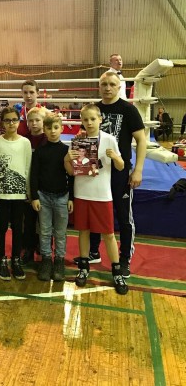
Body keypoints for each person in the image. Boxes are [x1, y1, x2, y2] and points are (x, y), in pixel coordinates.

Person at [77, 71, 146, 278]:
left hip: (120, 171)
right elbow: (85, 136)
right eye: (104, 84)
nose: (107, 88)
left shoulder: (128, 109)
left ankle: (124, 259)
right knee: (94, 211)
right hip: (97, 171)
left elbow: (141, 140)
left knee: (123, 216)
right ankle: (93, 252)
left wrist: (138, 169)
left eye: (112, 84)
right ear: (99, 86)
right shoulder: (93, 109)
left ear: (119, 87)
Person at [65, 104, 128, 295]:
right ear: (82, 121)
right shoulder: (78, 141)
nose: (89, 122)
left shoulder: (109, 139)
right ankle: (84, 267)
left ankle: (117, 272)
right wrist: (67, 158)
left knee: (108, 234)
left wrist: (115, 157)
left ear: (100, 119)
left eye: (93, 119)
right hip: (82, 192)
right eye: (85, 119)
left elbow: (121, 166)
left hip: (102, 194)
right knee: (83, 231)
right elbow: (71, 172)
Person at [0, 107, 32, 281]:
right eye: (7, 120)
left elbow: (28, 167)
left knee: (17, 228)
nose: (11, 123)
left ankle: (16, 260)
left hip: (19, 195)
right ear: (2, 123)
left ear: (19, 121)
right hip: (2, 194)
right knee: (1, 228)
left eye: (14, 120)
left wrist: (28, 191)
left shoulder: (25, 143)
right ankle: (1, 260)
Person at [30, 114, 73, 282]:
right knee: (45, 231)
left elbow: (72, 175)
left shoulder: (67, 151)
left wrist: (71, 198)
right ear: (44, 130)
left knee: (61, 232)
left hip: (62, 197)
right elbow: (34, 175)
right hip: (43, 197)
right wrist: (35, 196)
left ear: (62, 129)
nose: (53, 131)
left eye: (56, 128)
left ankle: (59, 260)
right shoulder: (39, 152)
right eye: (49, 128)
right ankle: (46, 260)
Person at [21, 106, 48, 265]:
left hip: (44, 185)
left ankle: (44, 249)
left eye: (38, 120)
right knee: (29, 220)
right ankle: (28, 248)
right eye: (31, 120)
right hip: (28, 184)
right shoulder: (23, 140)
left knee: (44, 221)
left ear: (43, 122)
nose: (34, 123)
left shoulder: (49, 139)